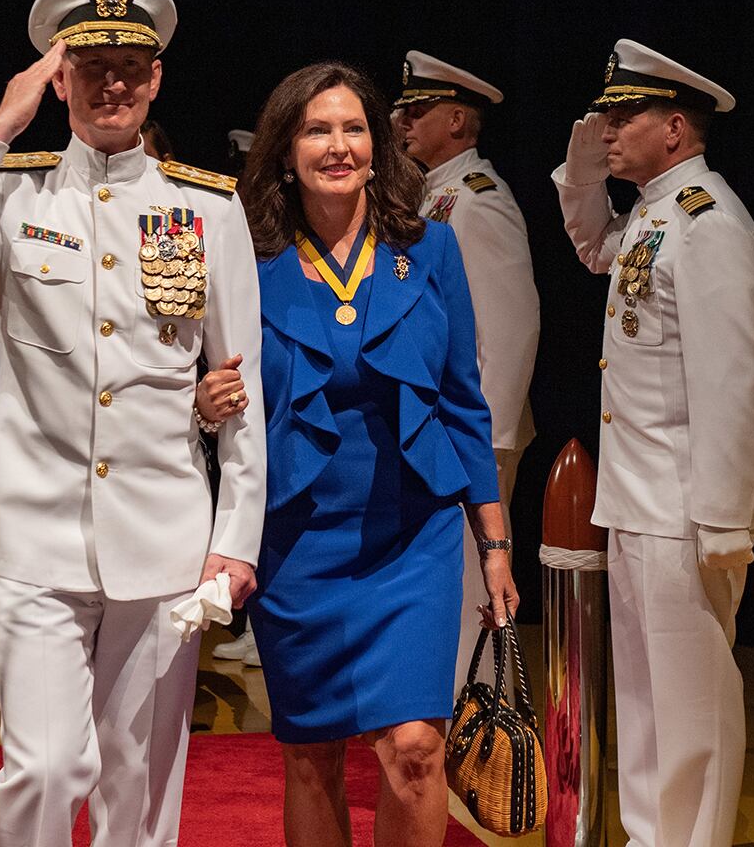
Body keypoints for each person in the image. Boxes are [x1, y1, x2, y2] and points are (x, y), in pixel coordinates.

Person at [0, 0, 266, 847]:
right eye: (91, 66)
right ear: (59, 78)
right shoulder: (12, 186)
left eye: (132, 63)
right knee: (48, 769)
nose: (114, 84)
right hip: (30, 531)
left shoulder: (206, 206)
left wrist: (233, 540)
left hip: (164, 533)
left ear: (158, 74)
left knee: (139, 784)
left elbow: (242, 387)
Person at [195, 60, 517, 847]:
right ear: (284, 148)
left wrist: (497, 544)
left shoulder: (432, 248)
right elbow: (199, 378)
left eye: (353, 128)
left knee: (414, 748)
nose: (338, 146)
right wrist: (201, 403)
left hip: (413, 538)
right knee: (312, 756)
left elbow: (463, 404)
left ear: (379, 144)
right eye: (316, 129)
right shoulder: (246, 256)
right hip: (295, 537)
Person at [552, 39, 754, 846]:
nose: (607, 130)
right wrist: (585, 158)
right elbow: (588, 246)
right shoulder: (652, 212)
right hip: (640, 496)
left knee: (693, 710)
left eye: (624, 116)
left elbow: (734, 380)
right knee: (645, 702)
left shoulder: (706, 222)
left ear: (675, 128)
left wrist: (720, 516)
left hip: (687, 505)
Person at [392, 50, 539, 695]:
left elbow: (511, 325)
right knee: (443, 587)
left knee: (479, 589)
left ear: (458, 120)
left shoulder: (478, 202)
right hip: (437, 430)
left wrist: (491, 438)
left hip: (470, 430)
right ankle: (447, 726)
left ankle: (482, 733)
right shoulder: (434, 194)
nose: (403, 123)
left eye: (418, 112)